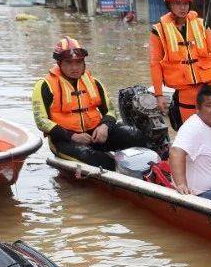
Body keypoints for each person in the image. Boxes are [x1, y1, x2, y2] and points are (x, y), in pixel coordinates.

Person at [32, 36, 146, 171]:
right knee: (99, 160)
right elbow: (41, 121)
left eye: (78, 62)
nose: (74, 67)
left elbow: (110, 111)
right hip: (65, 140)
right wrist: (73, 136)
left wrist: (105, 126)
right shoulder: (44, 86)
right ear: (59, 63)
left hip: (96, 135)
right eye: (68, 63)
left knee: (136, 135)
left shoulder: (94, 82)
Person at [150, 0, 211, 128]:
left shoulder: (202, 24)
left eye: (185, 3)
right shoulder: (158, 31)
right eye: (177, 4)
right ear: (169, 5)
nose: (182, 7)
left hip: (208, 86)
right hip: (185, 91)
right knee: (190, 130)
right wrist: (159, 95)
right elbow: (155, 64)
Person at [169, 84, 211, 205]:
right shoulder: (193, 127)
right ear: (198, 108)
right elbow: (175, 152)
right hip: (204, 194)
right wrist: (181, 185)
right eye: (210, 106)